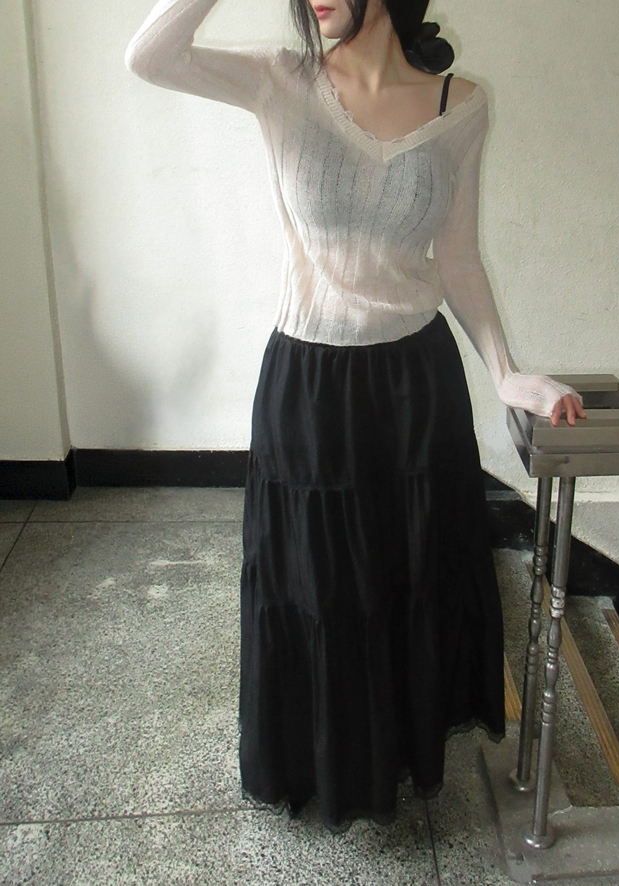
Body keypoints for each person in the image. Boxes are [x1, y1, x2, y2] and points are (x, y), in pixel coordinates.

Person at [125, 0, 586, 831]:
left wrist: (508, 373)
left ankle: (396, 752)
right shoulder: (280, 80)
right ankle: (324, 763)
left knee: (405, 579)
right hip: (310, 381)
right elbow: (149, 57)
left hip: (417, 382)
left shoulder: (461, 105)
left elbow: (458, 258)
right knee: (321, 588)